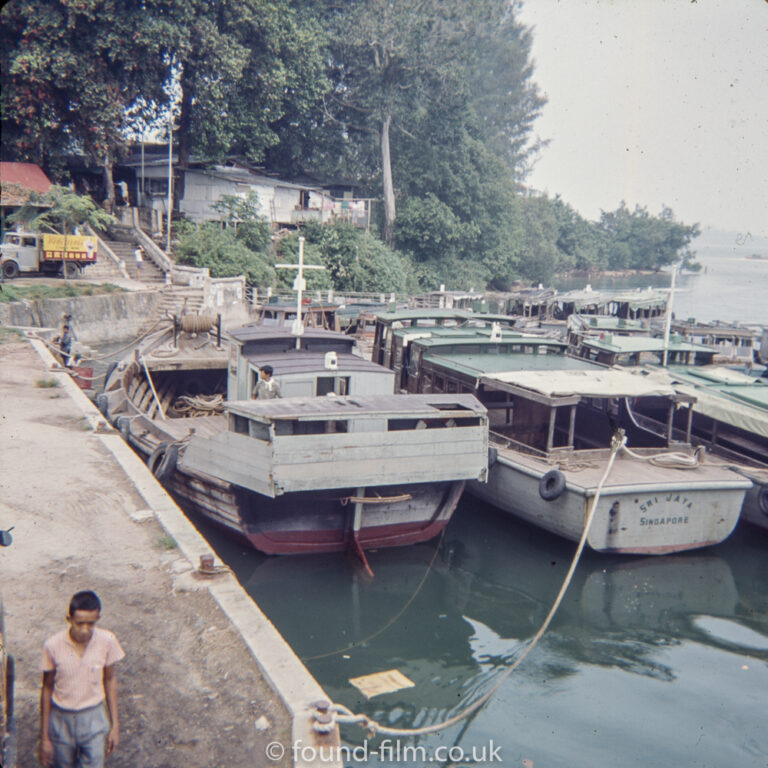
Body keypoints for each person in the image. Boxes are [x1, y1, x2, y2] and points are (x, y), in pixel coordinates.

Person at [40, 591, 125, 768]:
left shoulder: (107, 641)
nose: (85, 629)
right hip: (61, 719)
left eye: (91, 623)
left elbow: (110, 680)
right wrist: (45, 738)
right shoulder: (52, 645)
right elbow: (47, 688)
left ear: (98, 619)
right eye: (79, 623)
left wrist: (115, 726)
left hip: (93, 718)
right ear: (68, 619)